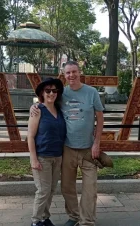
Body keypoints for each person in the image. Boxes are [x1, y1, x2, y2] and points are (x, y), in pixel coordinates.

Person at [30, 61, 104, 226]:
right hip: (67, 148)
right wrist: (34, 105)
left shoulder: (91, 92)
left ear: (79, 72)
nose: (71, 75)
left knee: (90, 189)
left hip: (88, 149)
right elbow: (46, 102)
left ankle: (87, 221)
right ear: (64, 75)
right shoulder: (62, 94)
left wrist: (97, 143)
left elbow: (100, 118)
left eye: (74, 72)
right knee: (67, 188)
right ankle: (74, 216)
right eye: (68, 73)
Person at [28, 77, 66, 226]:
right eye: (48, 90)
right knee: (43, 191)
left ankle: (45, 217)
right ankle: (35, 221)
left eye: (54, 90)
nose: (51, 93)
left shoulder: (60, 110)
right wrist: (33, 159)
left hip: (57, 157)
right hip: (42, 157)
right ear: (42, 93)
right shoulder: (37, 110)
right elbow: (30, 136)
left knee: (51, 190)